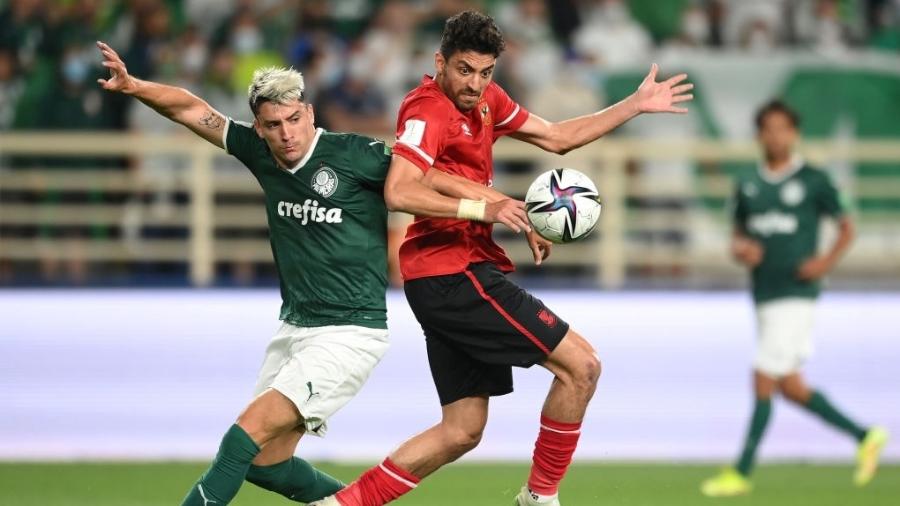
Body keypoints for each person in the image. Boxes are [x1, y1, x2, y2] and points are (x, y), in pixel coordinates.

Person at [94, 40, 527, 506]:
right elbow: (190, 109)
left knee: (242, 438)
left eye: (294, 119)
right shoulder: (258, 153)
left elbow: (428, 177)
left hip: (348, 332)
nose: (286, 134)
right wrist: (135, 85)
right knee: (265, 462)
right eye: (273, 125)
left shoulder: (355, 155)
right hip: (294, 327)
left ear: (310, 113)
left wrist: (496, 202)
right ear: (259, 129)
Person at [312, 10, 694, 506]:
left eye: (485, 72)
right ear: (440, 62)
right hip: (453, 274)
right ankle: (539, 498)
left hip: (452, 275)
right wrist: (485, 206)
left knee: (462, 430)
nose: (474, 84)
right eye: (465, 70)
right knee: (581, 366)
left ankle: (342, 505)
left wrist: (635, 106)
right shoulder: (427, 110)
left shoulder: (488, 101)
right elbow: (400, 190)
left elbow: (557, 138)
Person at [700, 100, 889, 497]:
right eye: (769, 128)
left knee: (763, 377)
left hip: (797, 293)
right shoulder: (748, 182)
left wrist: (825, 262)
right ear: (759, 135)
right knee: (791, 386)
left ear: (795, 133)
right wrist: (740, 250)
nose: (776, 136)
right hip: (764, 293)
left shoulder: (816, 179)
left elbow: (848, 225)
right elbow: (737, 235)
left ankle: (742, 471)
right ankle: (866, 435)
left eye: (783, 128)